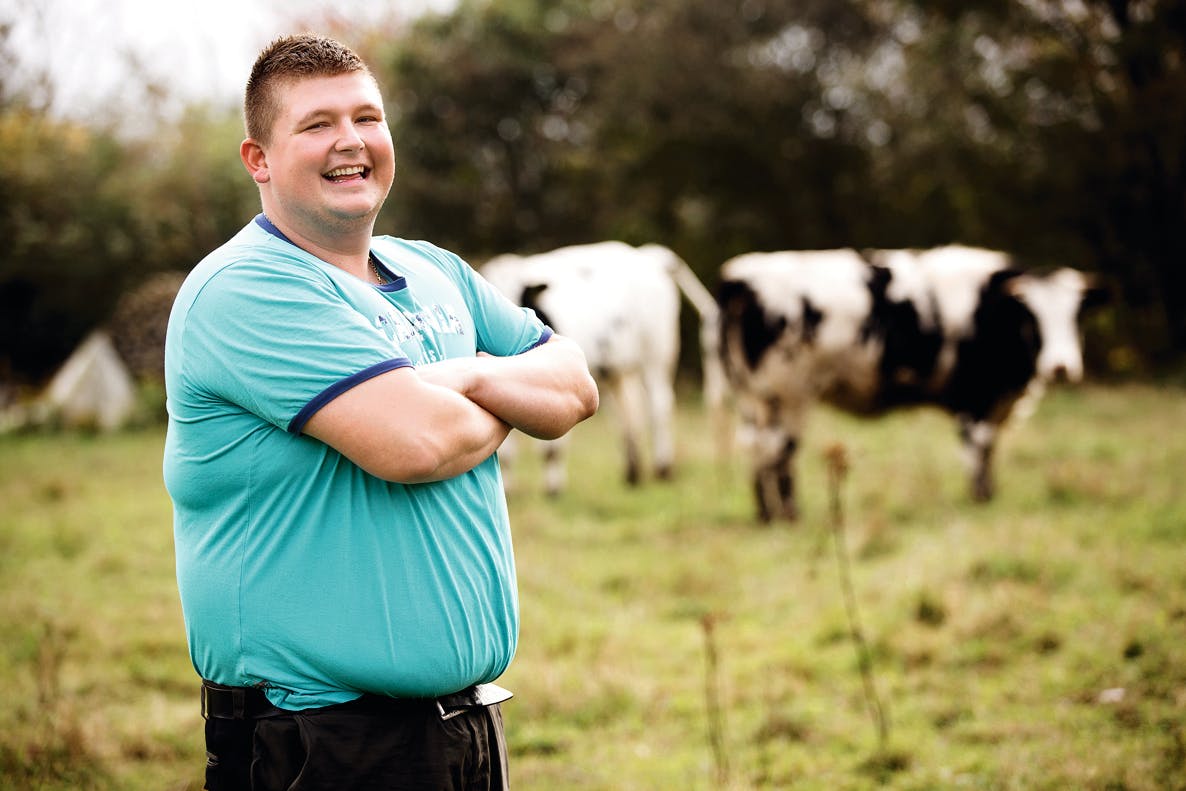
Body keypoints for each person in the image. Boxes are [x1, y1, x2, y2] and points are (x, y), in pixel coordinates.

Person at [163, 32, 599, 791]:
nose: (351, 142)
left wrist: (458, 376)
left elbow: (573, 387)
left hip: (461, 724)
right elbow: (415, 442)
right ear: (258, 160)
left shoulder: (433, 270)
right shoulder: (245, 288)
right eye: (317, 124)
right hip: (322, 741)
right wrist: (500, 387)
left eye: (368, 117)